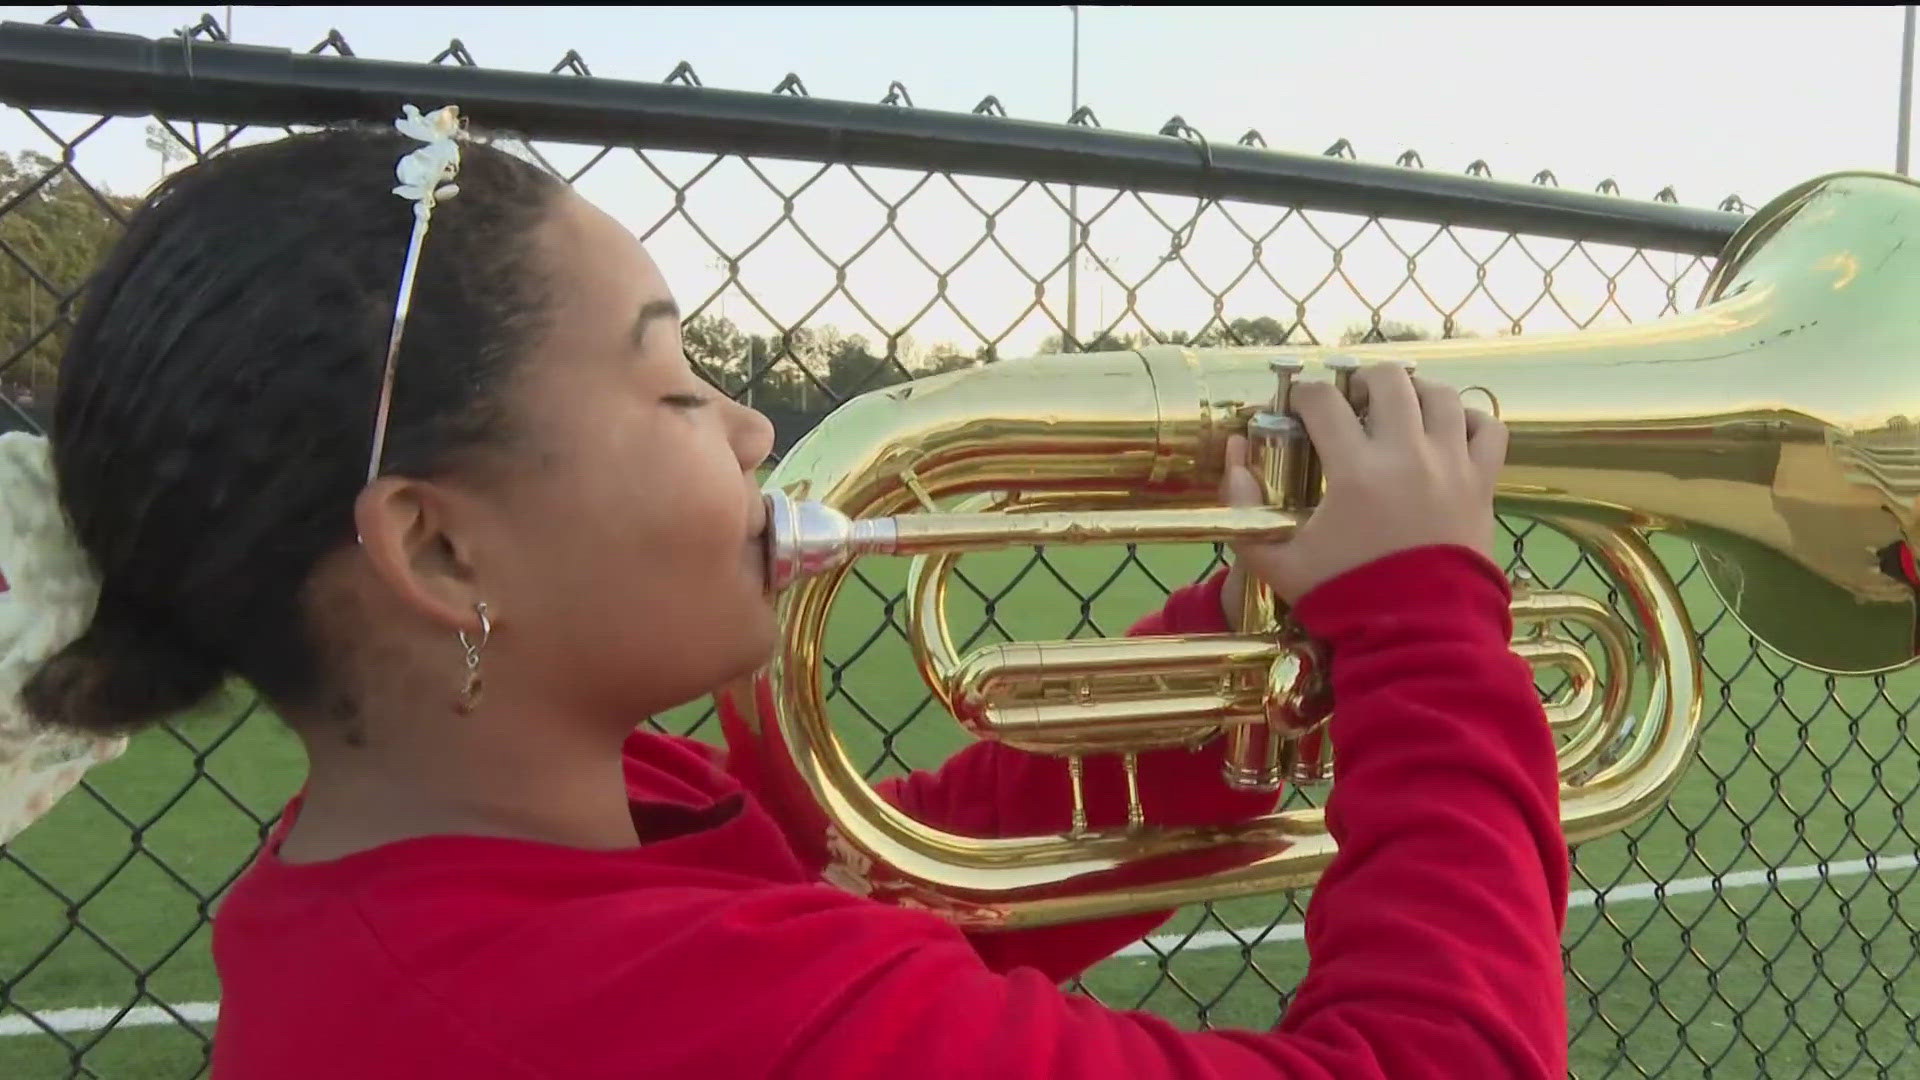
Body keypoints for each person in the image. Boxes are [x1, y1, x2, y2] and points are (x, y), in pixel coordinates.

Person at [4, 106, 1569, 1078]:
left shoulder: (519, 842)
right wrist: (1426, 622)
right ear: (440, 552)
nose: (752, 429)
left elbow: (922, 888)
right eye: (678, 388)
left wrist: (1254, 628)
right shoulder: (645, 1009)